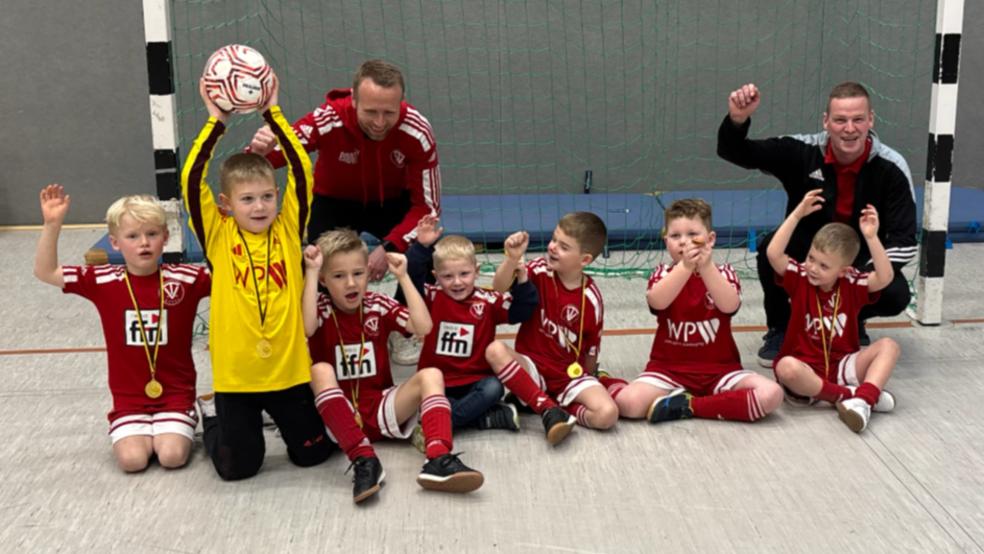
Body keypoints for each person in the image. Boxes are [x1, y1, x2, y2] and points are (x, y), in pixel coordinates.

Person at [182, 75, 341, 480]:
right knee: (238, 470)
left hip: (288, 372)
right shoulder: (218, 234)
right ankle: (213, 419)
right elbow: (190, 178)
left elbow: (303, 171)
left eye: (267, 196)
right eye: (247, 199)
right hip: (237, 378)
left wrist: (272, 112)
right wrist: (216, 120)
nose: (259, 206)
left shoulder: (289, 229)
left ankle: (279, 420)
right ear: (226, 204)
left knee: (312, 456)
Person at [717, 81, 917, 367]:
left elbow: (904, 242)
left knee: (896, 293)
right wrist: (738, 119)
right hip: (808, 253)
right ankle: (781, 328)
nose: (850, 128)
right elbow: (737, 153)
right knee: (768, 251)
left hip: (858, 260)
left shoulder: (893, 167)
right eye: (840, 120)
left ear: (870, 120)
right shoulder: (801, 151)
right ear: (826, 122)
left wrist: (855, 280)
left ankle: (851, 319)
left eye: (858, 119)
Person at [34, 186, 210, 472]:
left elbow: (232, 277)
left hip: (176, 393)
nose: (144, 243)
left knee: (172, 457)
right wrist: (52, 225)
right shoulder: (102, 280)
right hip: (129, 399)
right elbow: (46, 272)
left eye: (152, 234)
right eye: (132, 236)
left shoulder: (187, 277)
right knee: (132, 461)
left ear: (166, 238)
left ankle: (198, 416)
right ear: (115, 243)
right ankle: (138, 428)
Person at [303, 229, 484, 494]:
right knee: (319, 370)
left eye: (358, 273)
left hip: (379, 407)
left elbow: (423, 327)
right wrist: (310, 273)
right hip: (339, 416)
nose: (351, 283)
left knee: (431, 374)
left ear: (368, 272)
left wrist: (403, 277)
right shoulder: (320, 307)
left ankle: (437, 458)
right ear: (323, 279)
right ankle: (364, 459)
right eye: (339, 276)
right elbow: (307, 328)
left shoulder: (377, 304)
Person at [614, 199, 783, 423]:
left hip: (721, 370)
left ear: (710, 239)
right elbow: (658, 302)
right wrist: (685, 267)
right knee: (627, 403)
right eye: (675, 236)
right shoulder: (662, 273)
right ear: (666, 241)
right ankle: (610, 383)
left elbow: (729, 306)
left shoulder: (725, 272)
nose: (684, 242)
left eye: (693, 234)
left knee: (771, 395)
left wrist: (705, 267)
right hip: (668, 370)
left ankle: (689, 406)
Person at [767, 189, 899, 433]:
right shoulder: (800, 278)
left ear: (843, 270)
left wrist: (872, 237)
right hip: (805, 369)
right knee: (786, 367)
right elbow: (773, 253)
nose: (813, 268)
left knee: (889, 345)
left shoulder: (851, 284)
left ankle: (861, 400)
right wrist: (797, 214)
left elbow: (885, 277)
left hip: (843, 365)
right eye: (811, 258)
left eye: (824, 265)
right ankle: (858, 396)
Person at [489, 212, 621, 442]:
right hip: (532, 368)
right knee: (494, 350)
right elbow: (498, 287)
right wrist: (511, 259)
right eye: (553, 239)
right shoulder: (540, 271)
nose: (552, 247)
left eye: (564, 246)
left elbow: (591, 349)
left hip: (568, 376)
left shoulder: (591, 298)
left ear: (585, 260)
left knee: (607, 414)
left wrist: (587, 380)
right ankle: (546, 406)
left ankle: (556, 406)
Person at [405, 215, 539, 432]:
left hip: (475, 380)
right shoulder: (431, 296)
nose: (457, 282)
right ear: (435, 276)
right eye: (447, 276)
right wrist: (421, 246)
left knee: (494, 388)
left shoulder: (488, 301)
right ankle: (480, 418)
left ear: (476, 272)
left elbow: (521, 312)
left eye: (464, 274)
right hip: (437, 380)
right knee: (421, 399)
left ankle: (442, 423)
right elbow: (412, 276)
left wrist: (522, 280)